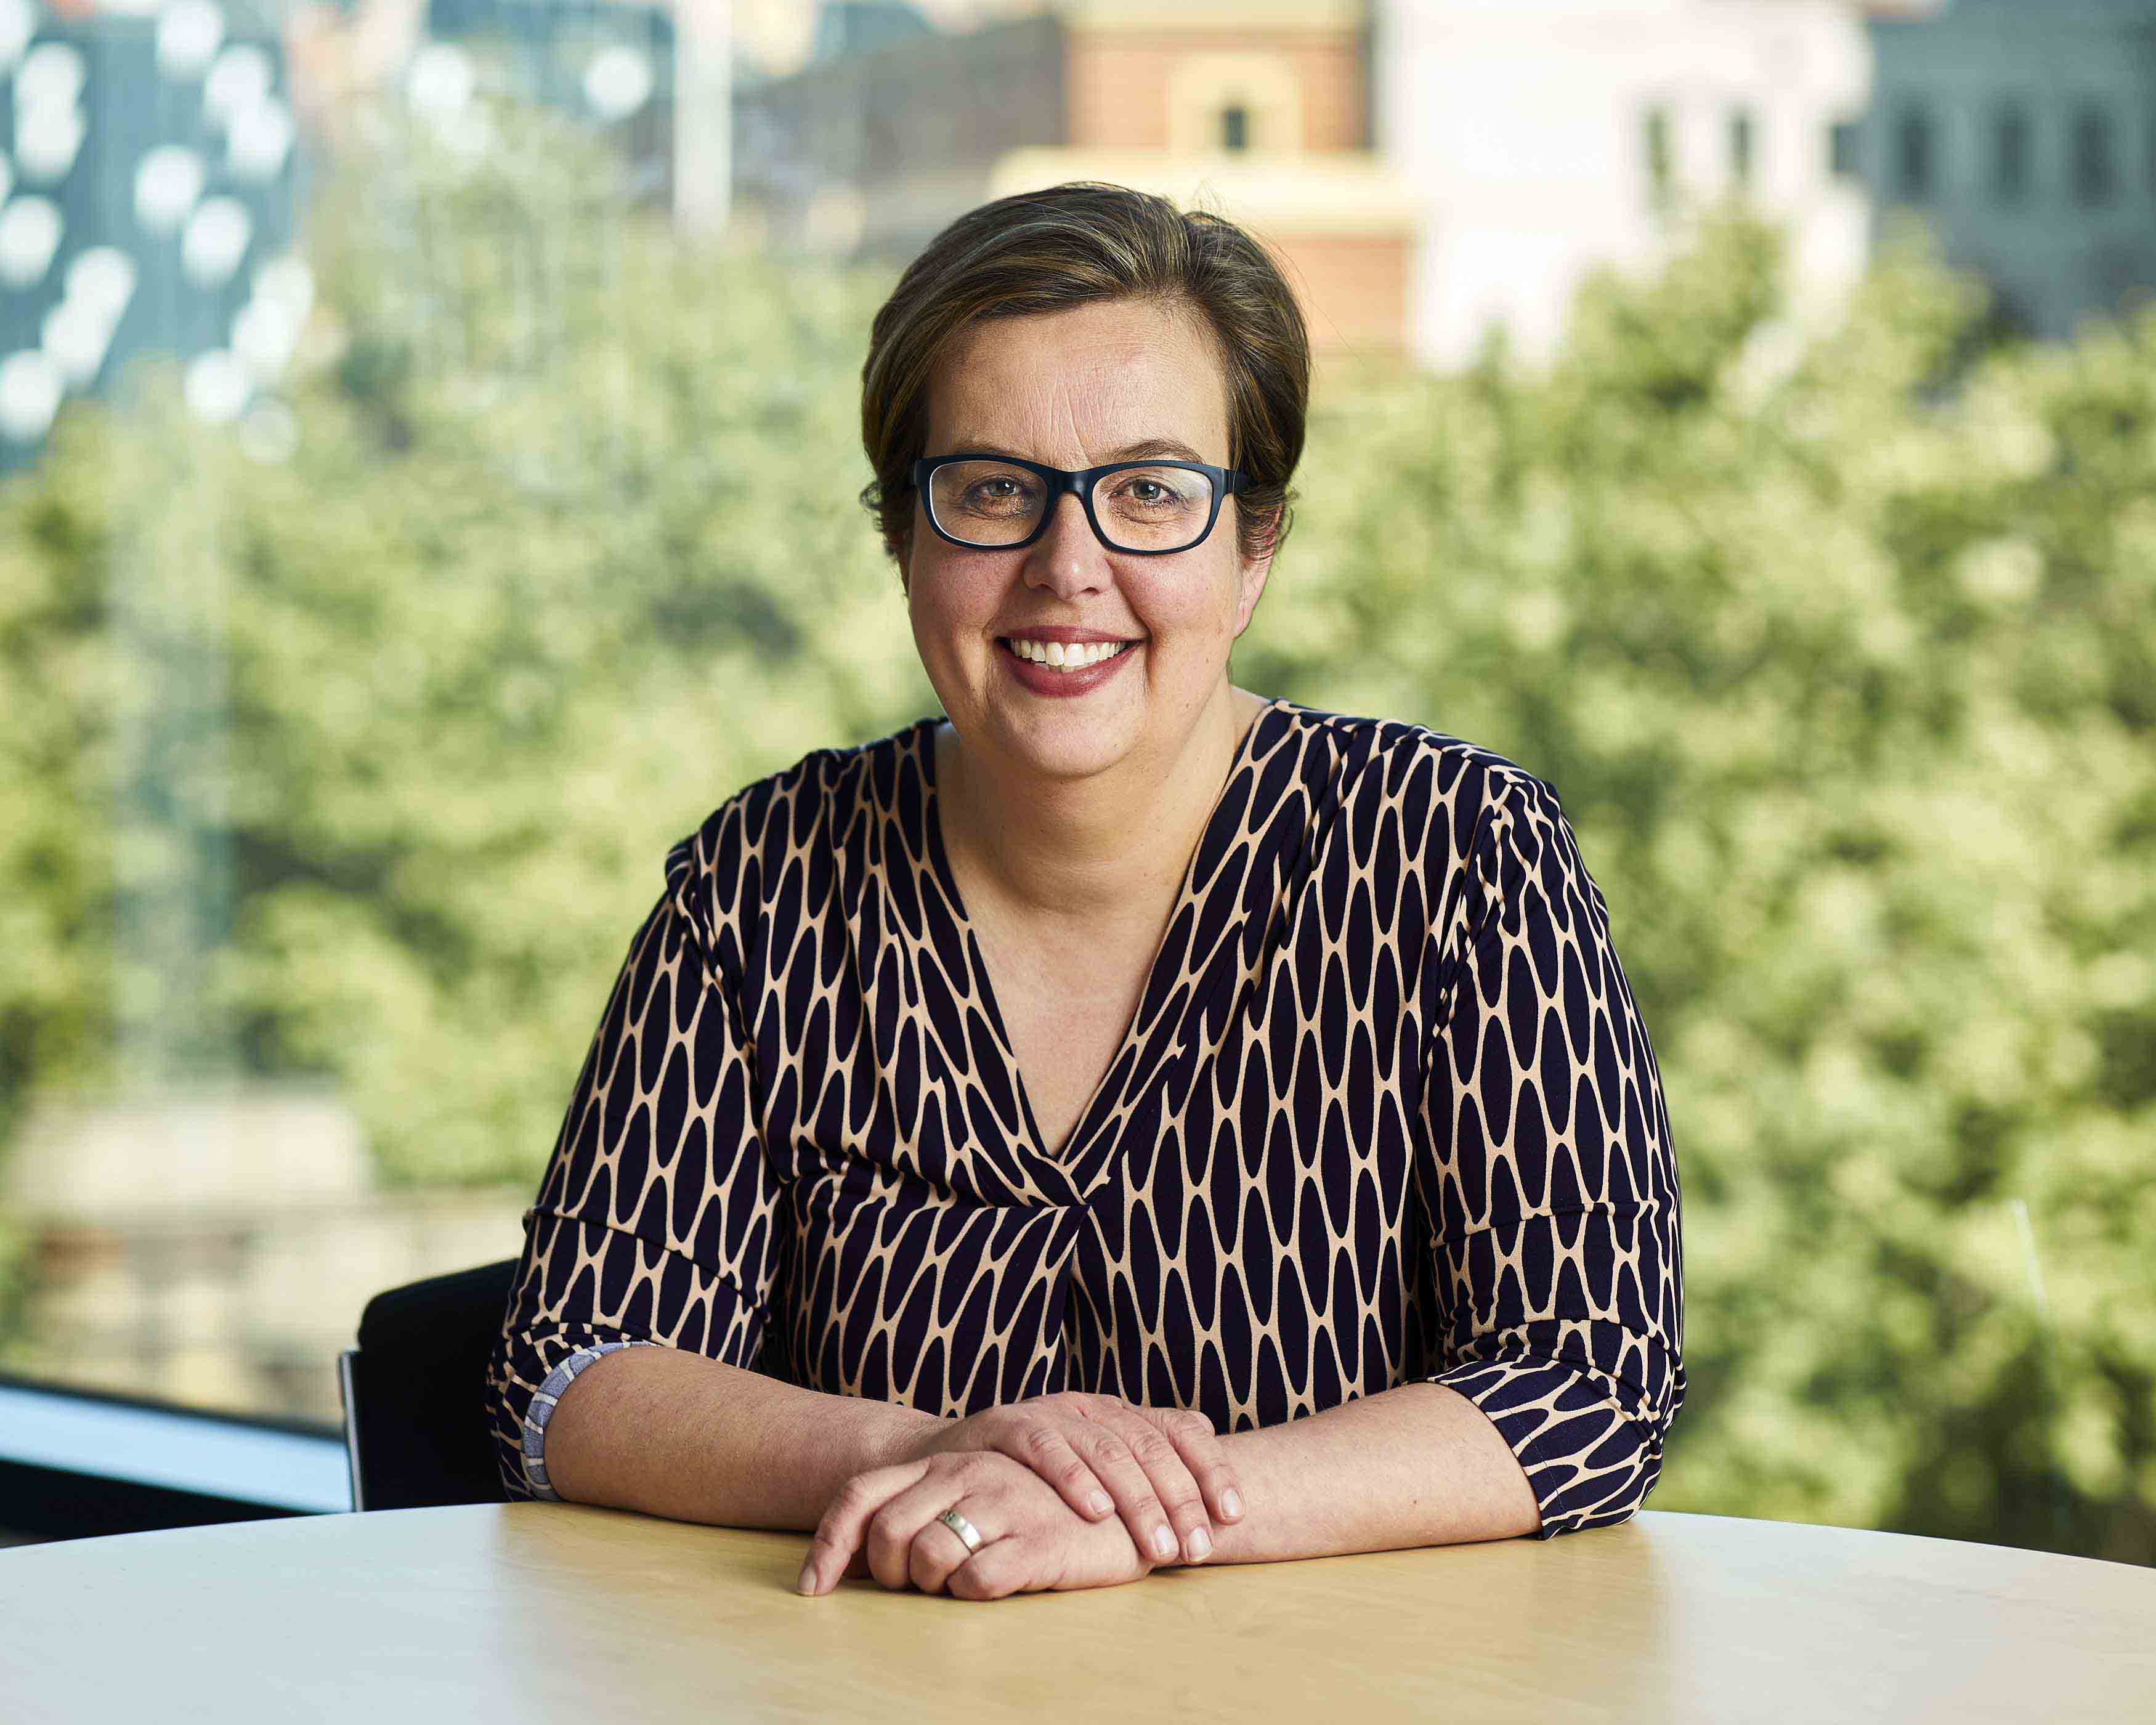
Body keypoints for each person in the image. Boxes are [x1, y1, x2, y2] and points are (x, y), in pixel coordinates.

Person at [483, 182, 1685, 1603]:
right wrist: (947, 1447)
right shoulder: (763, 882)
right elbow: (561, 1374)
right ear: (903, 537)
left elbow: (1592, 1379)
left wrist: (1141, 1516)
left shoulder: (1460, 856)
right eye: (993, 489)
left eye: (1151, 493)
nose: (1069, 568)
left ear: (1252, 550)